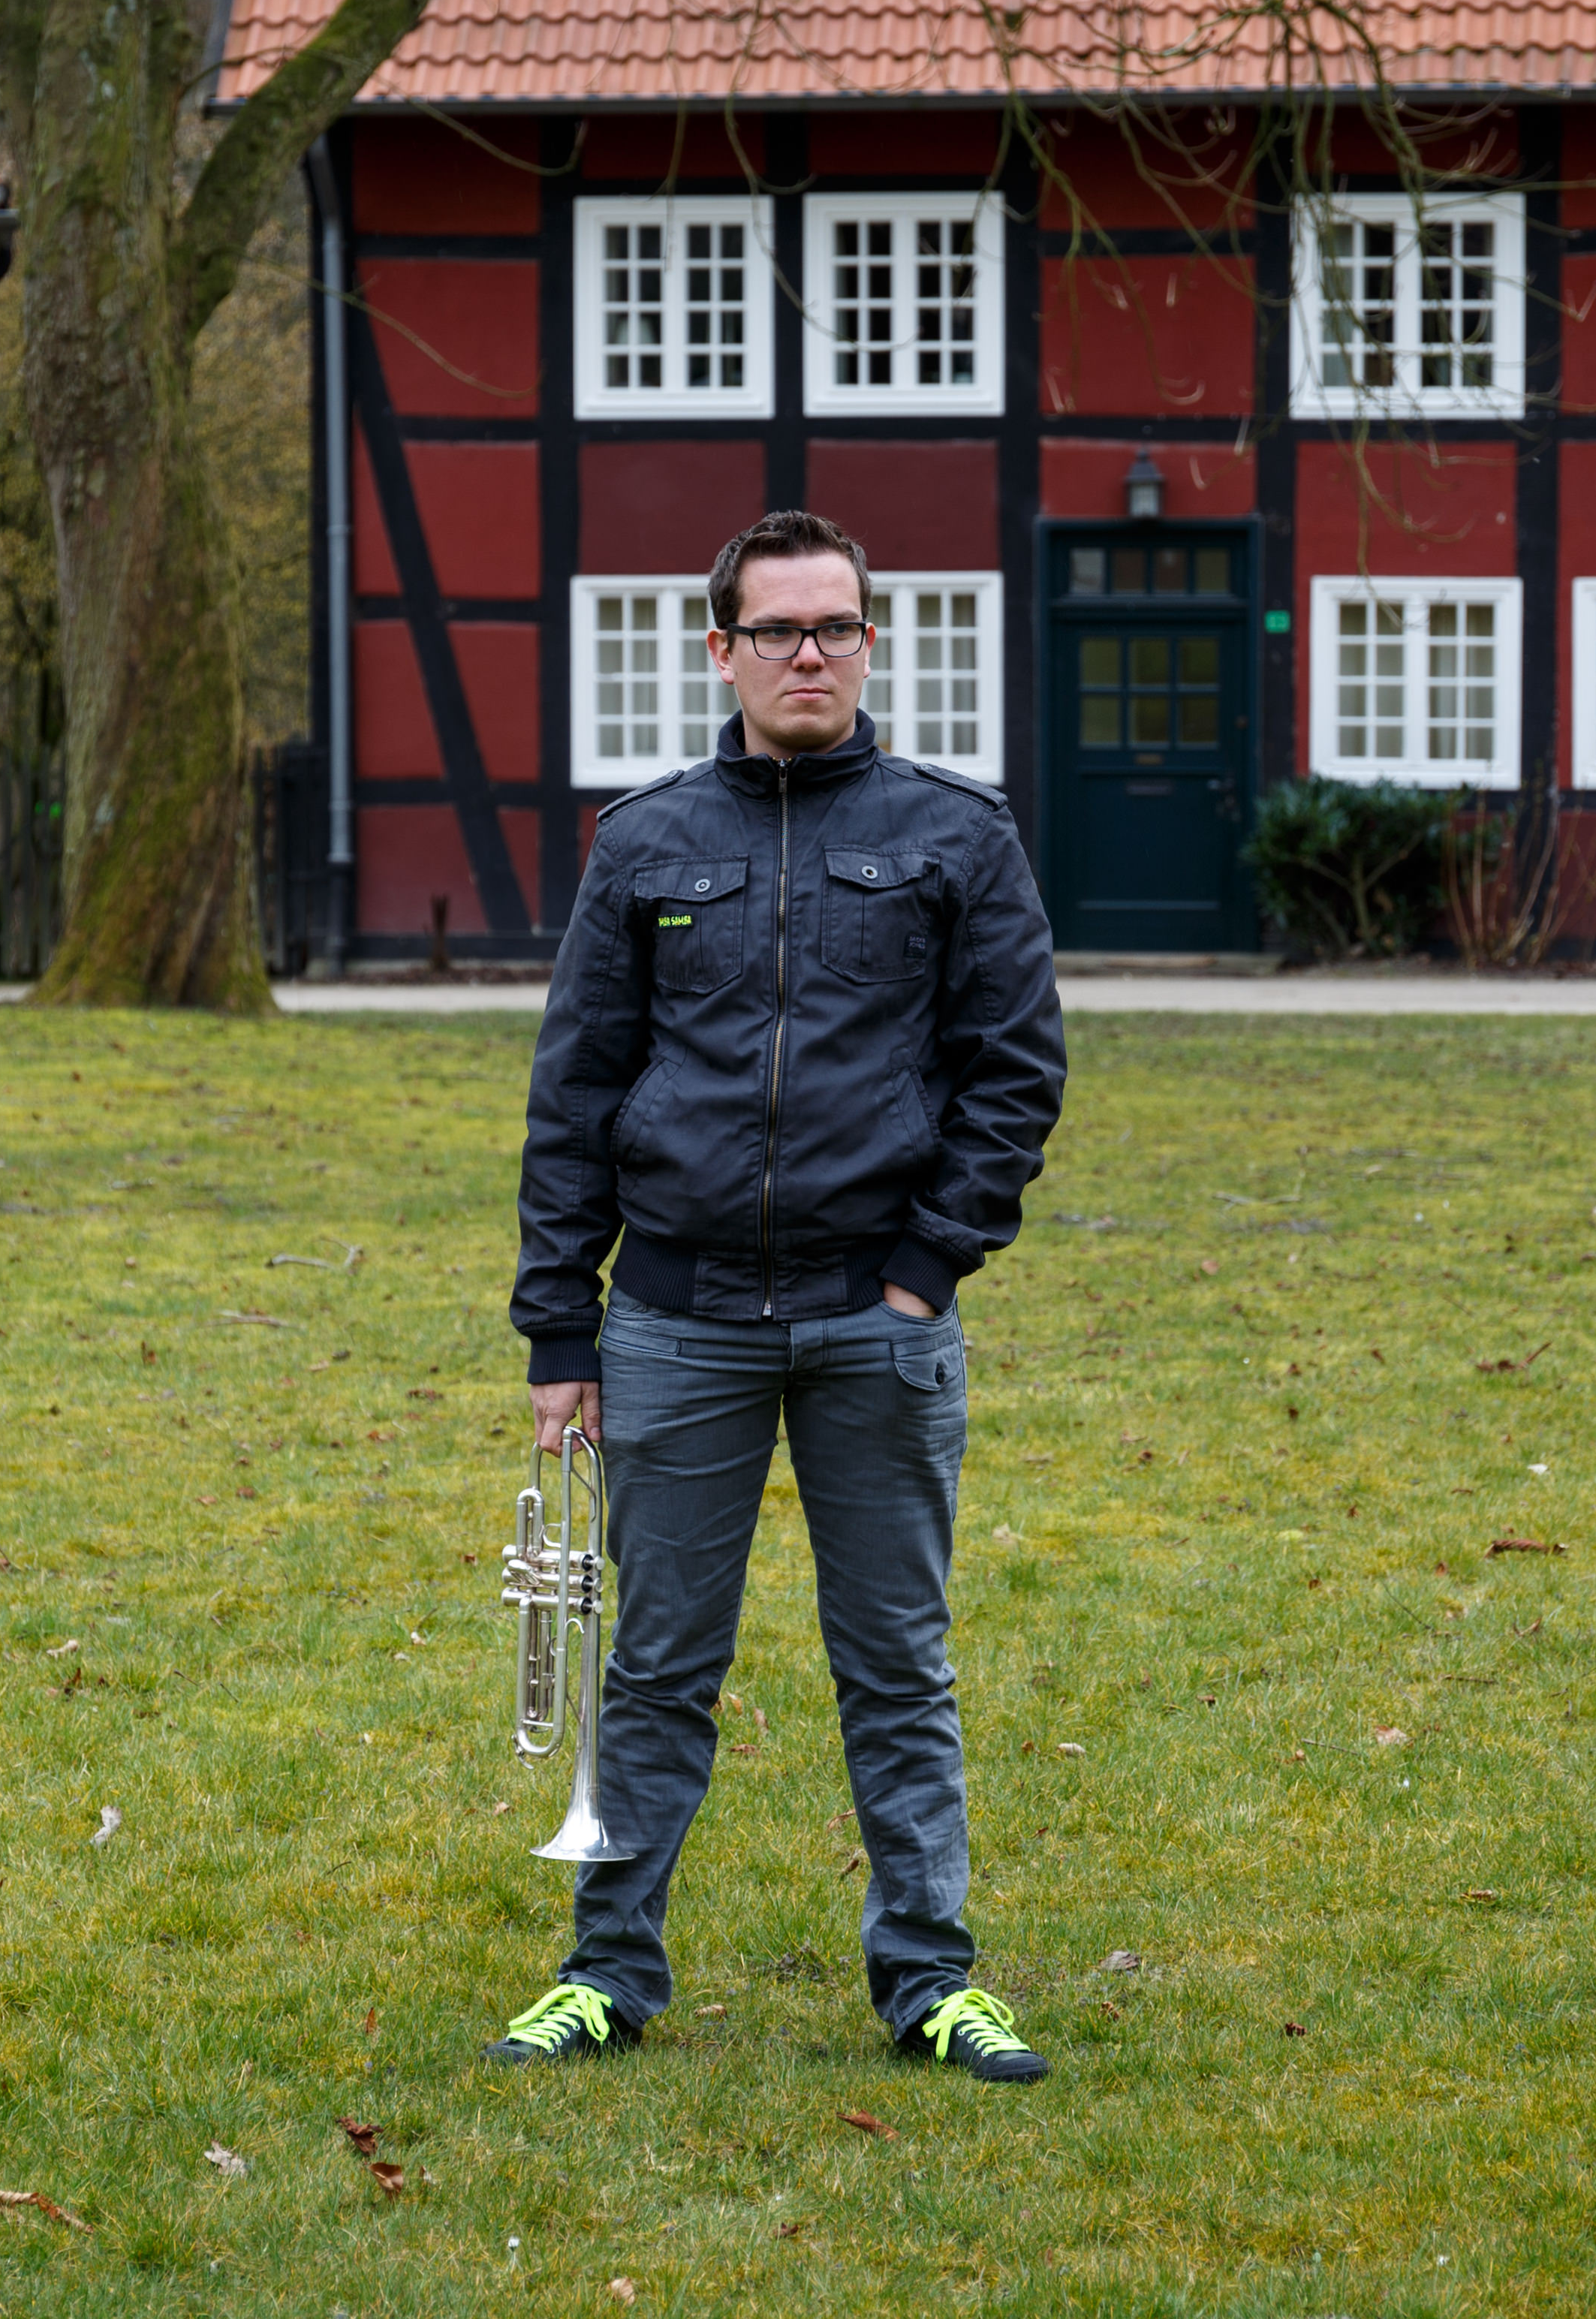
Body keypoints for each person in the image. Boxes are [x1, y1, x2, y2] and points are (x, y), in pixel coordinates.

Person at [491, 507, 1068, 2086]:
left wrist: (924, 1270)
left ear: (870, 643)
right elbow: (574, 1091)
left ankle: (930, 1977)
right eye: (776, 630)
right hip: (674, 1323)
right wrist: (560, 1326)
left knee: (898, 1668)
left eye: (834, 627)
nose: (807, 653)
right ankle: (606, 1973)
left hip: (879, 1325)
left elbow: (1015, 1075)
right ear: (722, 649)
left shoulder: (959, 835)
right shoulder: (645, 841)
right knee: (655, 1670)